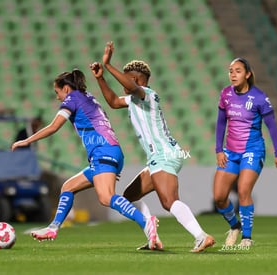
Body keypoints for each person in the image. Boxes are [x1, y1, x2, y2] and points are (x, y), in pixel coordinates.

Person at [11, 68, 160, 250]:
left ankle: (146, 222)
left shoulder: (72, 99)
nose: (57, 97)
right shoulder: (87, 96)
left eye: (57, 92)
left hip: (103, 152)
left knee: (106, 198)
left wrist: (26, 140)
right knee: (68, 187)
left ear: (66, 88)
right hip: (109, 152)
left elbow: (53, 127)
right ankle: (53, 228)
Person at [89, 41, 215, 252]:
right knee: (128, 198)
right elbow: (112, 101)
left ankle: (201, 236)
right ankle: (152, 237)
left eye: (126, 79)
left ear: (137, 80)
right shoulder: (132, 100)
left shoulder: (148, 94)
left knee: (169, 201)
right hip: (158, 157)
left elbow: (132, 88)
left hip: (164, 154)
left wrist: (109, 65)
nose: (123, 84)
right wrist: (101, 77)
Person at [213, 57, 277, 247]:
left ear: (247, 74)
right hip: (230, 152)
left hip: (252, 150)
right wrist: (218, 150)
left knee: (244, 190)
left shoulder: (259, 98)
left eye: (237, 71)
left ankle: (246, 238)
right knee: (219, 197)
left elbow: (272, 127)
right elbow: (221, 123)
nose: (233, 74)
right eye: (230, 71)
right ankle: (234, 226)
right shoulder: (226, 94)